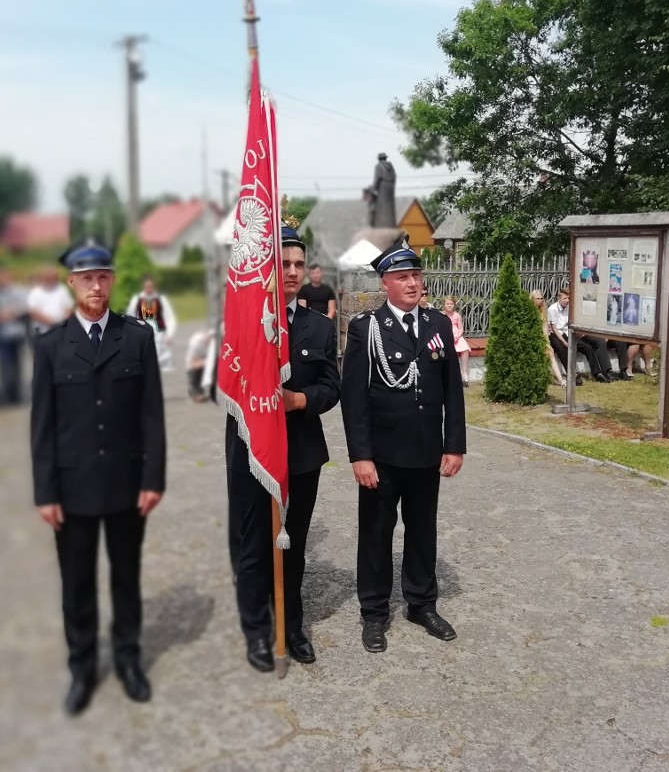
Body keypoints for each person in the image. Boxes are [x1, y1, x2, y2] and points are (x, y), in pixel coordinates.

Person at [30, 239, 166, 715]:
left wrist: (153, 479)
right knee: (77, 584)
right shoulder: (49, 345)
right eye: (86, 277)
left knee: (126, 578)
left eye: (103, 276)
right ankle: (82, 669)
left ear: (112, 281)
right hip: (72, 489)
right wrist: (45, 492)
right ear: (71, 283)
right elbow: (42, 428)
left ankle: (128, 661)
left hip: (128, 484)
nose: (96, 285)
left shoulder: (137, 338)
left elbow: (152, 417)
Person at [340, 234, 465, 653]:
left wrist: (454, 445)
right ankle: (374, 612)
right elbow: (354, 399)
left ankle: (421, 603)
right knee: (376, 533)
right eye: (402, 276)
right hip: (382, 455)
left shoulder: (438, 324)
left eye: (416, 275)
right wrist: (360, 456)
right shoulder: (365, 329)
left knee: (422, 528)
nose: (412, 283)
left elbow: (452, 391)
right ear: (385, 284)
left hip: (426, 451)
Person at [225, 226, 340, 671]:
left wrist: (299, 400)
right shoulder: (242, 324)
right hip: (251, 452)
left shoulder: (319, 325)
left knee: (293, 545)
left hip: (300, 455)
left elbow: (331, 387)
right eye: (282, 263)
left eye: (297, 264)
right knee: (253, 545)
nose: (290, 272)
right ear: (268, 267)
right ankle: (257, 630)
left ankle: (291, 626)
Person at [547, 287, 616, 383]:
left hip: (568, 333)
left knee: (588, 348)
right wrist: (564, 342)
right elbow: (554, 328)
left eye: (568, 298)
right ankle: (572, 374)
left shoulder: (570, 307)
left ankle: (598, 373)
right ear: (559, 298)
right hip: (556, 334)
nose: (567, 301)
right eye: (565, 298)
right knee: (562, 348)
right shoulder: (552, 309)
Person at [127, 275, 177, 372]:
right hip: (142, 328)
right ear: (143, 286)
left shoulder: (161, 299)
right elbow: (130, 316)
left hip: (158, 330)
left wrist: (170, 334)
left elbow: (169, 317)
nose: (149, 289)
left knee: (159, 352)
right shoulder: (137, 299)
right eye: (147, 286)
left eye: (151, 286)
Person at [0, 264, 28, 404]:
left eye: (4, 276)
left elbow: (25, 307)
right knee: (5, 365)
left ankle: (16, 394)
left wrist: (12, 313)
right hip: (2, 335)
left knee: (17, 365)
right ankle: (7, 393)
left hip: (16, 334)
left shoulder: (18, 290)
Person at [530, 290, 568, 387]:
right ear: (532, 299)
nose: (540, 301)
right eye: (537, 299)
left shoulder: (542, 311)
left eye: (542, 298)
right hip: (530, 338)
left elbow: (545, 328)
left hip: (540, 338)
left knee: (550, 352)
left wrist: (546, 342)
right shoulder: (528, 311)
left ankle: (560, 380)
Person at [27, 264, 73, 338]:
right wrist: (53, 323)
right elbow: (33, 312)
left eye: (54, 277)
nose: (51, 279)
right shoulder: (36, 291)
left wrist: (64, 322)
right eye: (48, 277)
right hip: (43, 332)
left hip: (61, 331)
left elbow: (68, 307)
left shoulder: (62, 289)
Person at [442, 295, 471, 386]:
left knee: (465, 348)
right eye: (447, 304)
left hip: (456, 337)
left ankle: (464, 372)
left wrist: (458, 336)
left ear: (454, 305)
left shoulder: (456, 315)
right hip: (445, 336)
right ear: (444, 305)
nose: (449, 305)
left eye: (451, 304)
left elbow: (461, 328)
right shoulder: (441, 315)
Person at [185, 327, 213, 402]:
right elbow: (193, 362)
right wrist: (207, 362)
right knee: (195, 372)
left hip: (207, 361)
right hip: (195, 364)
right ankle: (195, 392)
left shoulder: (216, 343)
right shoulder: (196, 342)